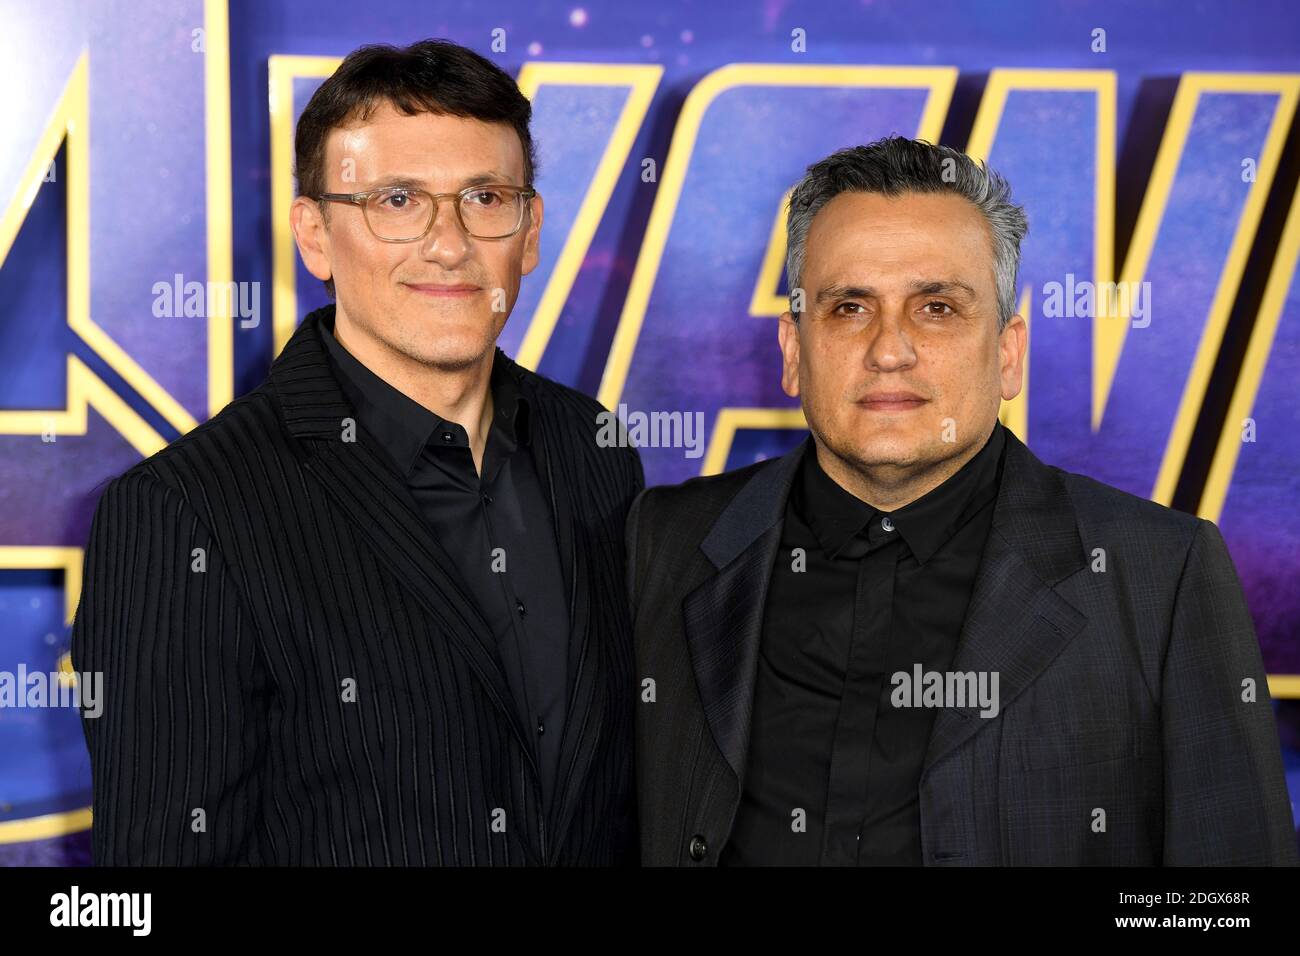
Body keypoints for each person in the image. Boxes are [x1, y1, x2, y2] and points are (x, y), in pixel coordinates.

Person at [627, 136, 1298, 866]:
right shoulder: (666, 542)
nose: (890, 349)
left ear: (1008, 353)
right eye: (849, 307)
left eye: (937, 308)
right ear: (793, 351)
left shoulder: (1160, 575)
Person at [72, 39, 642, 865]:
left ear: (528, 231)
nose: (449, 244)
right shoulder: (183, 515)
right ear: (314, 235)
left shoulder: (592, 449)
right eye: (398, 200)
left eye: (485, 197)